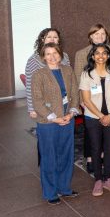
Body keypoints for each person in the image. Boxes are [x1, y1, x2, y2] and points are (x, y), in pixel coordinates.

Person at [31, 43, 80, 204]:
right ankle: (50, 193)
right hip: (48, 122)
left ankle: (64, 188)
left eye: (55, 53)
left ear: (60, 54)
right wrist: (54, 117)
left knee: (66, 155)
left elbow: (74, 93)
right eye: (48, 54)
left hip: (67, 118)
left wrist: (72, 112)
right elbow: (37, 101)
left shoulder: (68, 70)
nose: (52, 57)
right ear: (43, 57)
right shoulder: (39, 74)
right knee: (49, 157)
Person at [79, 44, 110, 196]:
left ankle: (108, 178)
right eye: (97, 53)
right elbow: (86, 100)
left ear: (108, 55)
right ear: (92, 56)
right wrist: (101, 116)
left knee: (109, 147)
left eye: (104, 53)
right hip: (93, 117)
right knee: (96, 148)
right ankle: (98, 180)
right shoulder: (86, 74)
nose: (101, 56)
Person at [25, 28, 71, 119]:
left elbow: (70, 80)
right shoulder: (34, 60)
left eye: (55, 37)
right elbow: (30, 86)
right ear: (43, 40)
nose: (52, 39)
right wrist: (31, 108)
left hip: (65, 102)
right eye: (49, 37)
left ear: (58, 40)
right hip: (46, 105)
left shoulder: (64, 56)